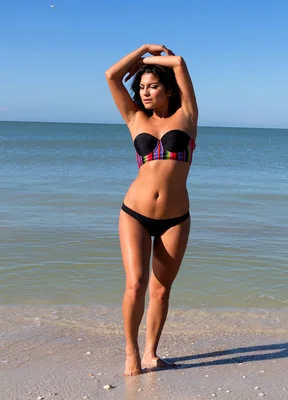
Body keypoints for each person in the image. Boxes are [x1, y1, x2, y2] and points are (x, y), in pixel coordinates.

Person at [105, 44, 198, 376]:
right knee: (137, 283)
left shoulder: (187, 115)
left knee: (161, 289)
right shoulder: (135, 118)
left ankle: (151, 353)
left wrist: (153, 58)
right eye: (141, 86)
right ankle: (131, 352)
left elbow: (180, 61)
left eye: (152, 86)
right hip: (135, 213)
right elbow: (111, 75)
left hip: (176, 218)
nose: (145, 92)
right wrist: (142, 50)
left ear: (168, 88)